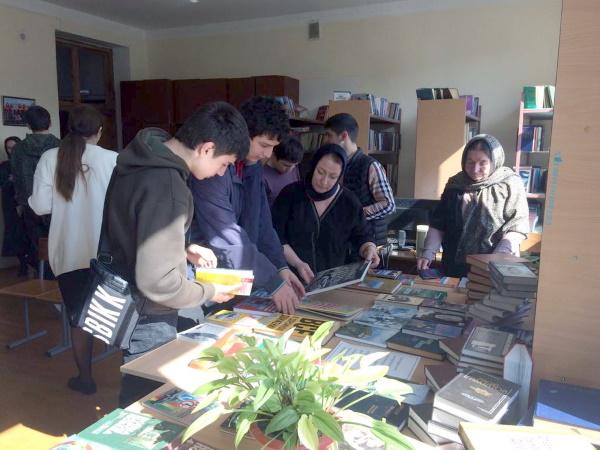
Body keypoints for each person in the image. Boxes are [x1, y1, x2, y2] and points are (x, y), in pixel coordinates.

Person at [104, 101, 249, 407]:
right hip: (149, 313)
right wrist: (210, 290)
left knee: (137, 391)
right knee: (146, 403)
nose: (221, 172)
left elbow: (135, 229)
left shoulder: (141, 159)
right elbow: (159, 283)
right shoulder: (169, 186)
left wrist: (180, 249)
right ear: (207, 149)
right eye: (224, 164)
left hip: (128, 300)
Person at [29, 105, 116, 395]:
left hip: (67, 253)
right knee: (116, 312)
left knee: (78, 318)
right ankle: (127, 375)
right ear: (99, 132)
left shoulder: (50, 158)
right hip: (106, 254)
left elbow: (41, 206)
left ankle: (85, 378)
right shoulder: (112, 159)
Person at [190, 96, 305, 315]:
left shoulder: (252, 166)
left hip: (238, 274)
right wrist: (273, 281)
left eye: (273, 147)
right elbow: (226, 236)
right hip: (204, 277)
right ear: (244, 134)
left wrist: (280, 266)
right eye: (264, 145)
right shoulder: (214, 168)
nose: (268, 154)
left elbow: (262, 224)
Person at [416, 134, 529, 277]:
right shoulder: (455, 184)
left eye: (483, 163)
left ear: (495, 162)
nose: (475, 169)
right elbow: (438, 223)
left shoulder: (510, 184)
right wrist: (428, 252)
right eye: (470, 162)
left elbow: (517, 227)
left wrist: (498, 257)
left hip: (492, 267)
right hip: (453, 265)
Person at [271, 144, 380, 281]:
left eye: (333, 177)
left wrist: (369, 248)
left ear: (340, 176)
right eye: (320, 172)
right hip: (292, 277)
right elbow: (275, 236)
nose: (324, 181)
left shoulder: (349, 201)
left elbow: (362, 235)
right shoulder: (290, 194)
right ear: (313, 166)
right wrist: (298, 263)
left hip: (334, 281)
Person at [324, 113, 396, 247]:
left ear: (343, 136)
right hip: (343, 239)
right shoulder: (335, 164)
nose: (325, 140)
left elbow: (389, 204)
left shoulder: (370, 165)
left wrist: (357, 214)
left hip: (369, 241)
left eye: (329, 135)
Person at [11, 106, 60, 275]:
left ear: (28, 125)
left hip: (30, 204)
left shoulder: (19, 149)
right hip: (59, 203)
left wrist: (20, 202)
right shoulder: (61, 146)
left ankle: (44, 280)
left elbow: (18, 178)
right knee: (60, 244)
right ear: (50, 123)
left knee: (37, 246)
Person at [0, 136, 31, 276]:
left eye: (14, 147)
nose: (11, 150)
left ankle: (35, 263)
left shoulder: (28, 162)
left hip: (28, 204)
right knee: (15, 234)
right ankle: (23, 265)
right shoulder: (4, 166)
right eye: (8, 148)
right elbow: (2, 184)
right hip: (11, 205)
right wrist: (10, 180)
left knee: (30, 233)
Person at [262, 135, 303, 206]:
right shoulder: (262, 177)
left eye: (294, 165)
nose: (290, 170)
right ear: (273, 155)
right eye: (286, 165)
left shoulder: (294, 168)